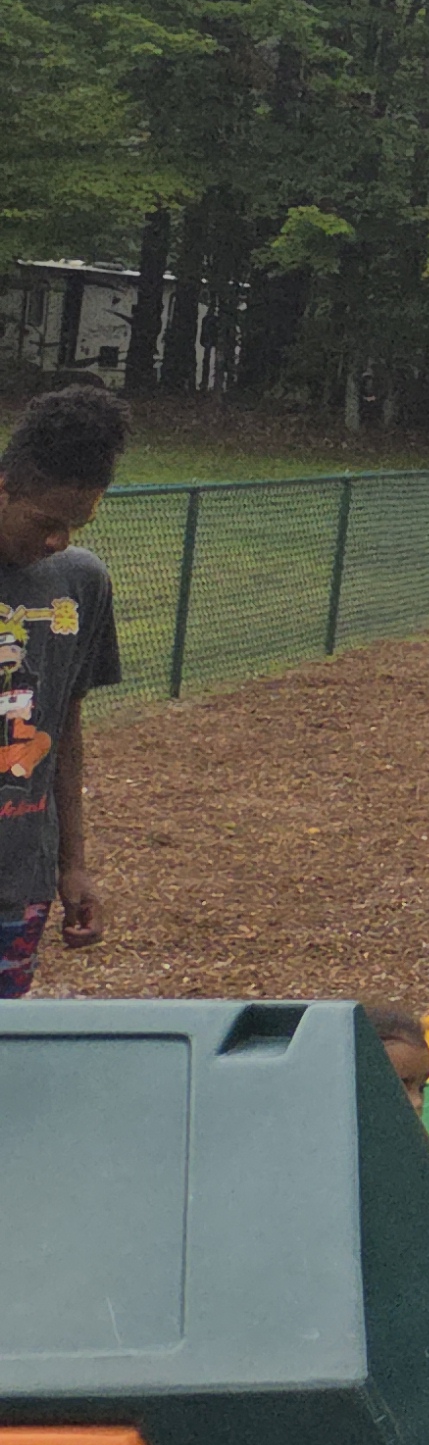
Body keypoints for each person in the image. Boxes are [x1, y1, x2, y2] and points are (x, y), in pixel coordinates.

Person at [0, 384, 127, 999]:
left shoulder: (81, 583)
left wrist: (72, 863)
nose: (59, 541)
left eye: (76, 525)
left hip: (18, 881)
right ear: (4, 488)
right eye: (45, 522)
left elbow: (65, 727)